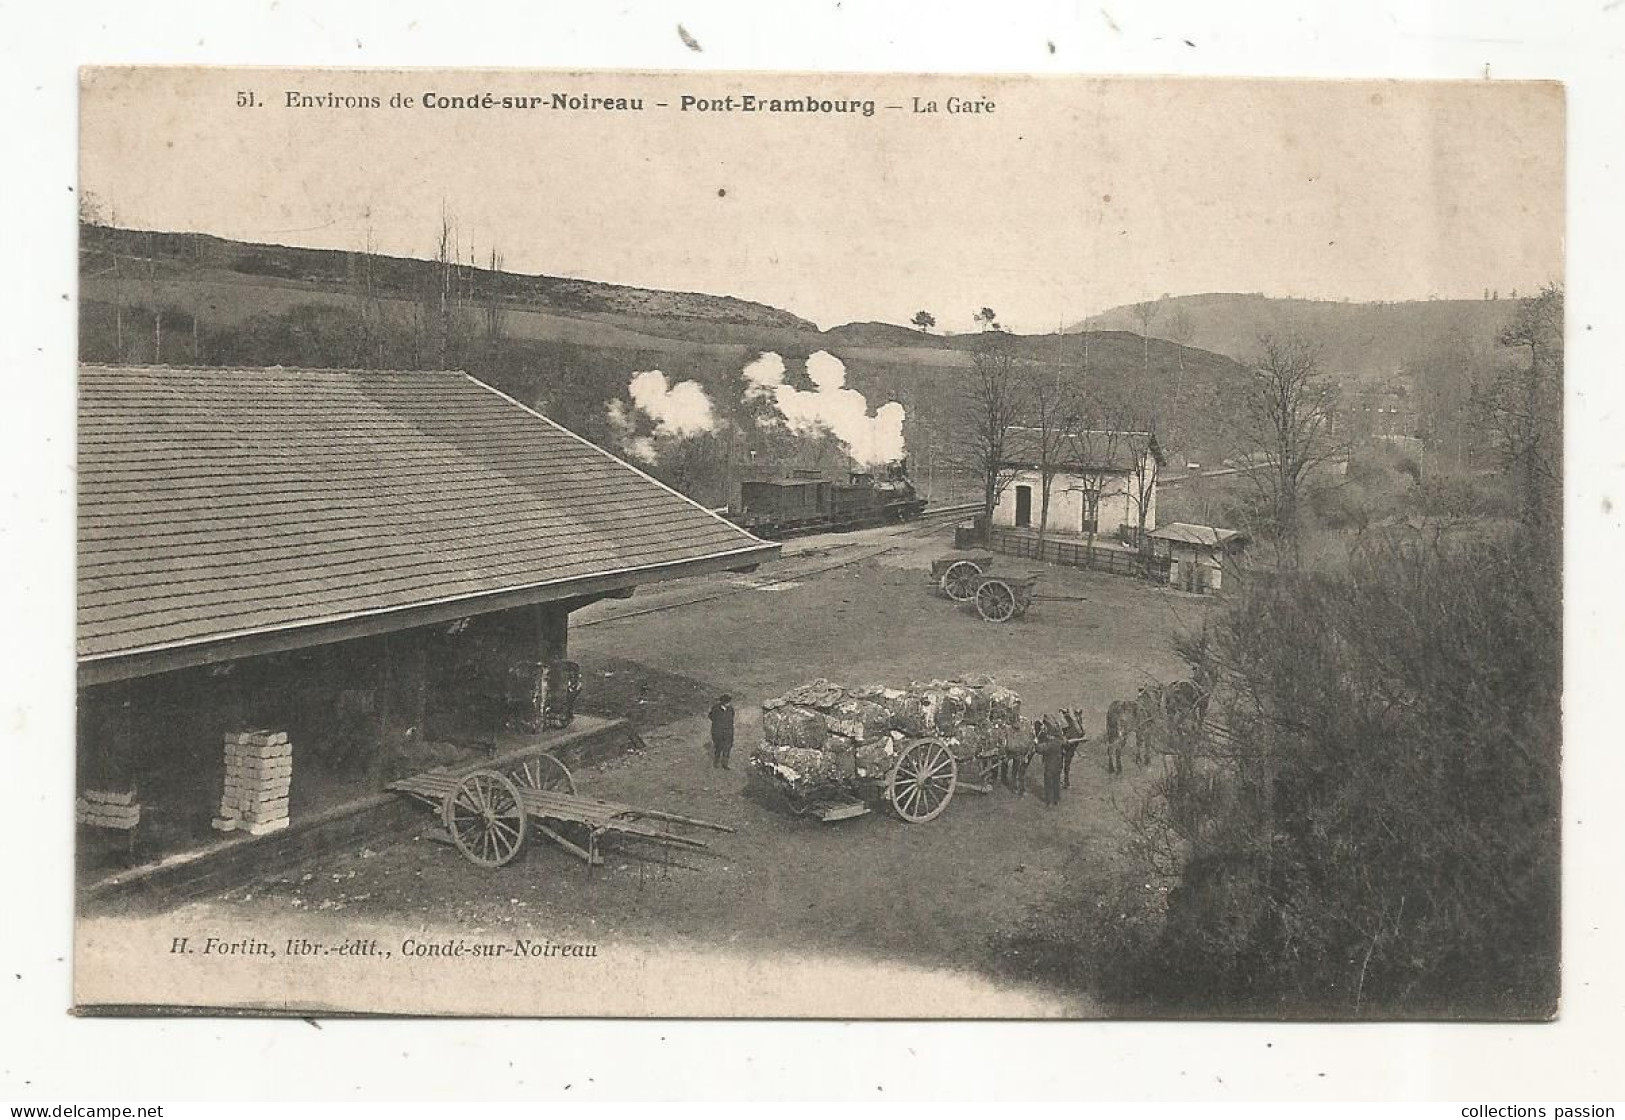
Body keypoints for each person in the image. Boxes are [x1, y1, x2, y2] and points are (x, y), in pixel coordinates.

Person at [708, 694, 735, 769]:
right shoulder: (716, 709)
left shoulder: (731, 709)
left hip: (728, 732)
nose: (729, 704)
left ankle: (725, 764)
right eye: (727, 702)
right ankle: (716, 762)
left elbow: (732, 718)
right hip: (718, 732)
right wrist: (718, 724)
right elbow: (711, 716)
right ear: (723, 702)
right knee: (718, 747)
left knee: (727, 748)